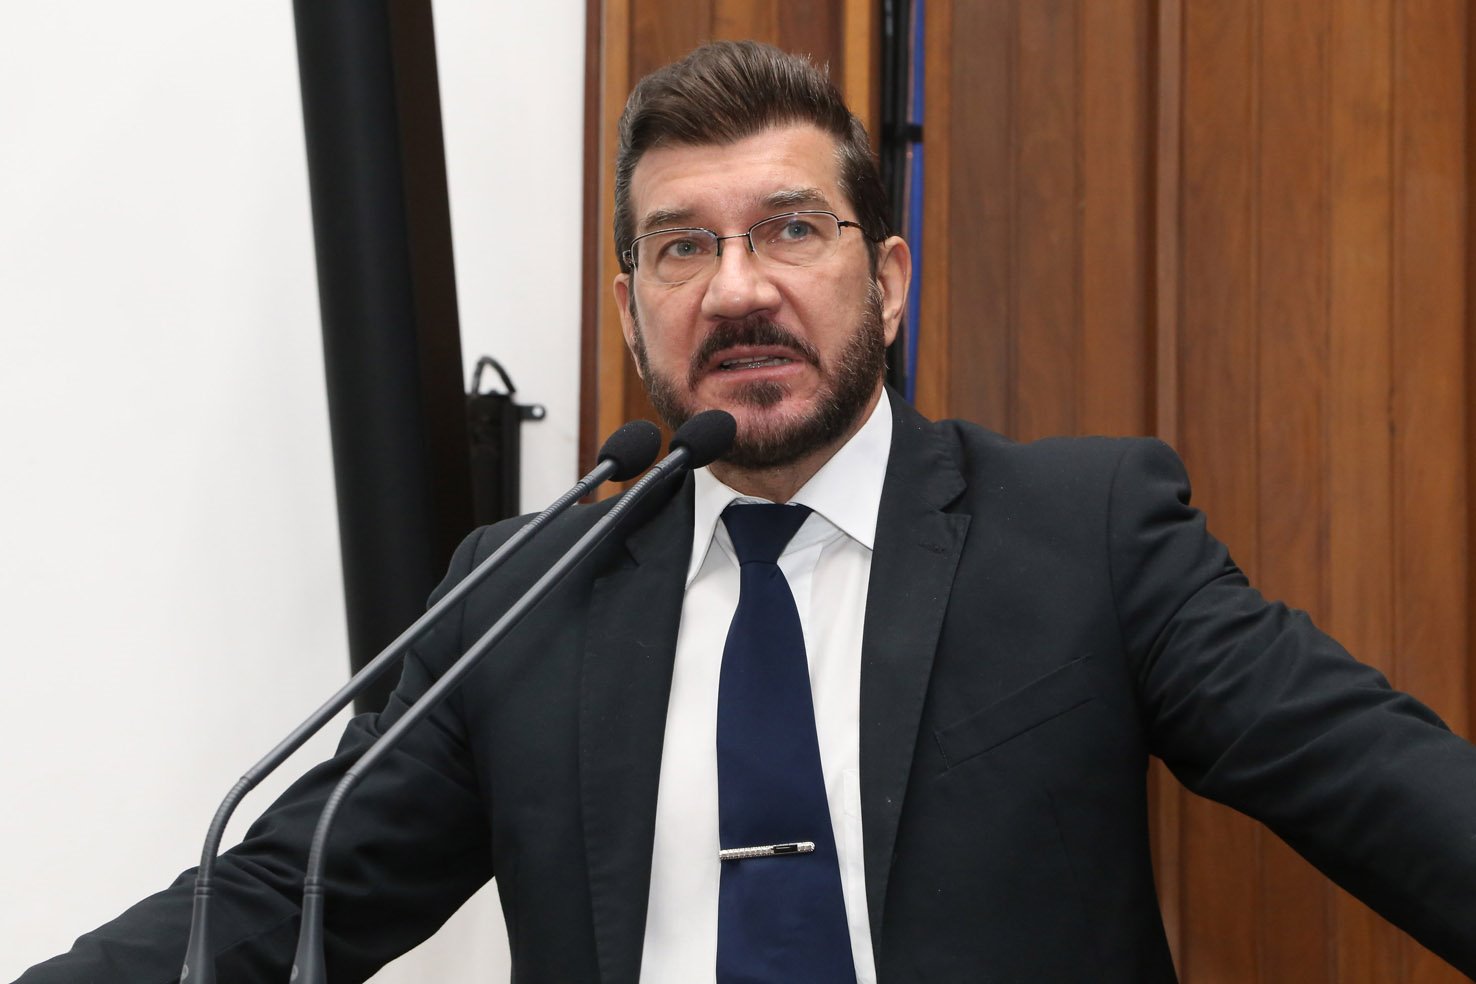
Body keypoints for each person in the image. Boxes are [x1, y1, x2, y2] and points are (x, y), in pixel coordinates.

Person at [18, 40, 1476, 984]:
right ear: (629, 309)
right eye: (680, 248)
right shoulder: (526, 595)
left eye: (789, 229)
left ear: (886, 281)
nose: (737, 288)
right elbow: (285, 896)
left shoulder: (1080, 533)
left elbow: (1371, 781)